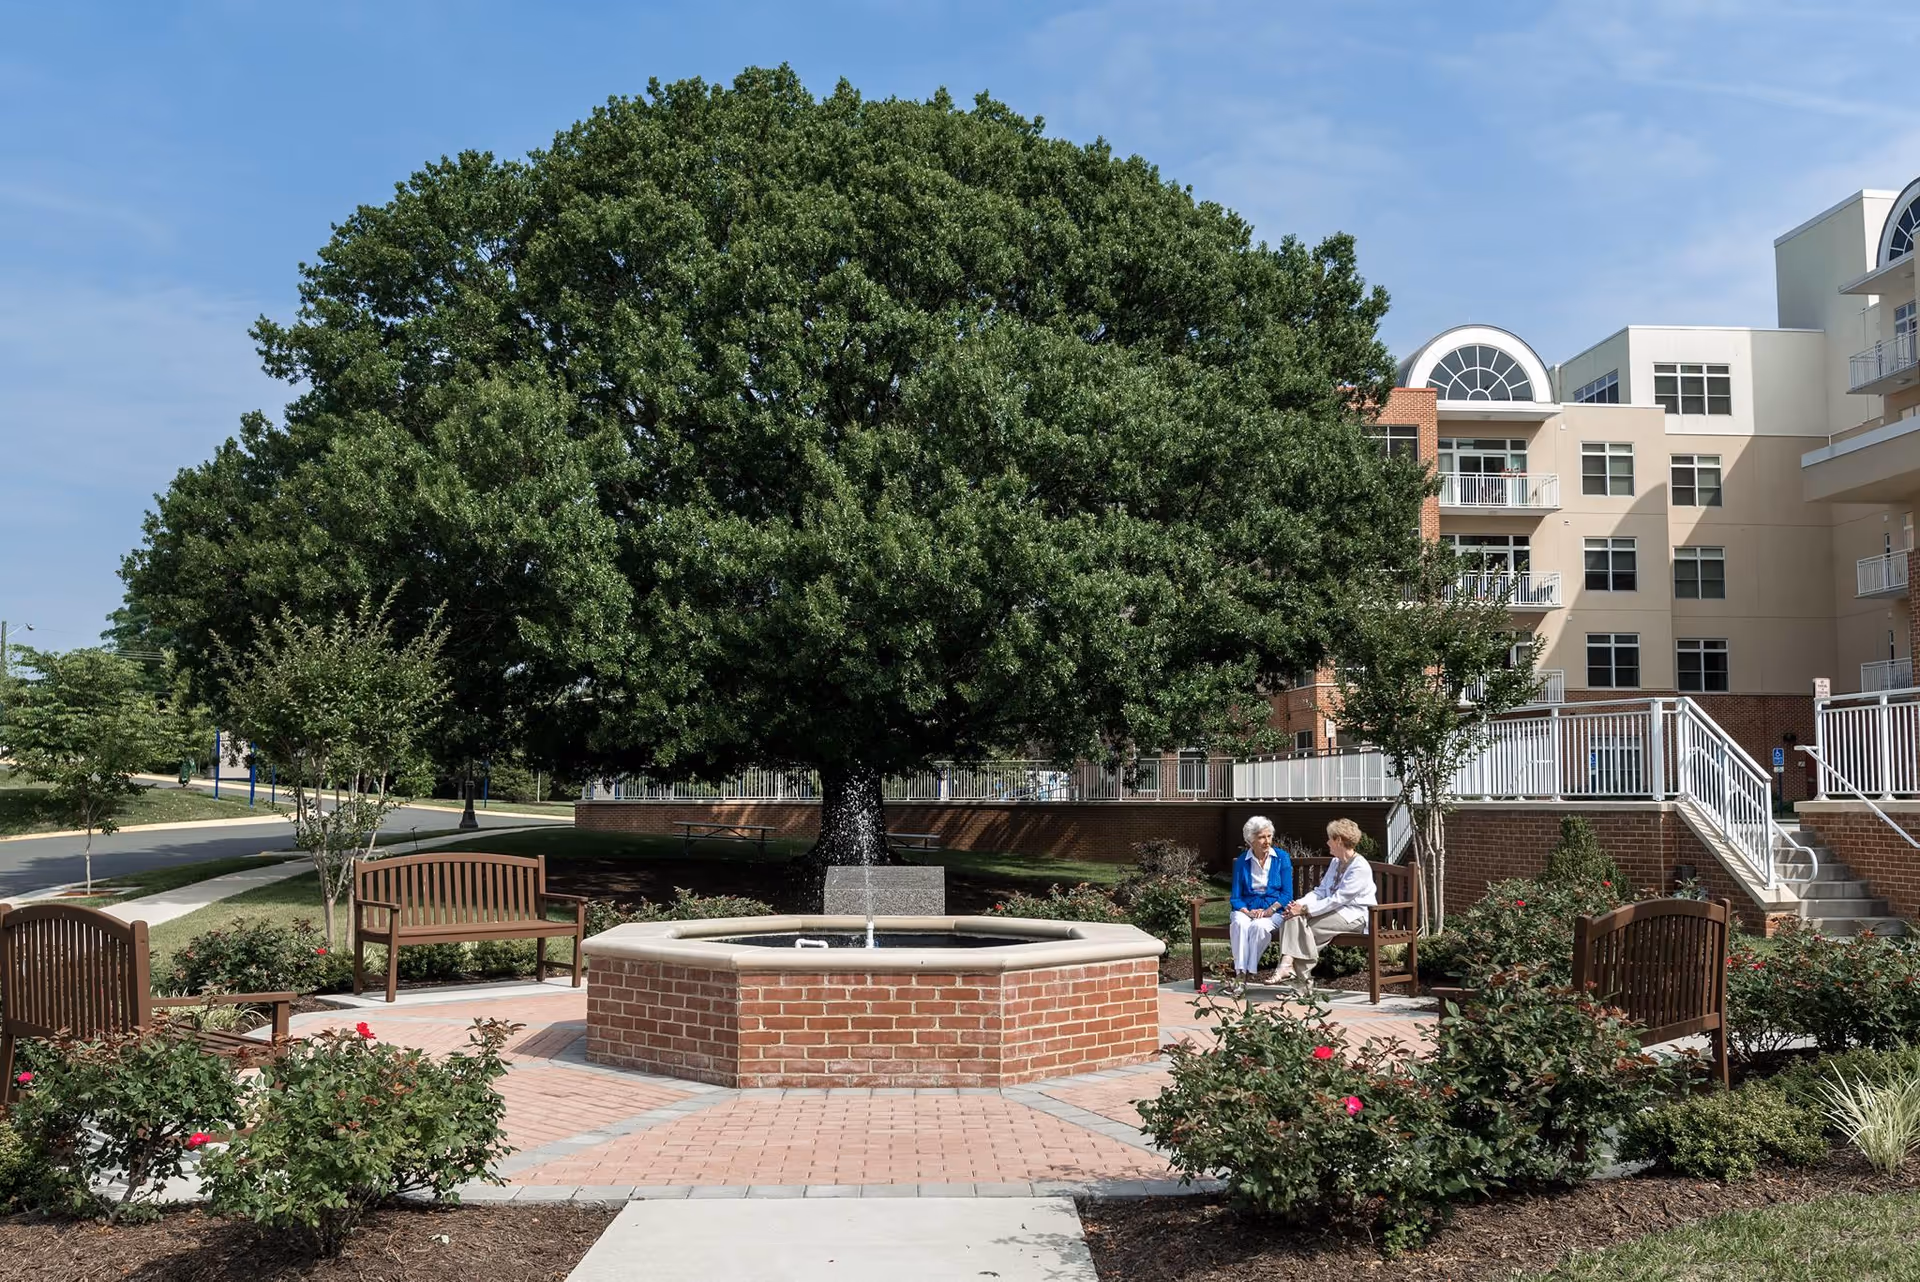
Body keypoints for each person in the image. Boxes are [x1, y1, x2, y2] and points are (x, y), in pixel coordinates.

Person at [1273, 817, 1377, 995]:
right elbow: (1321, 891)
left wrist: (1305, 910)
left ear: (1339, 840)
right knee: (1293, 919)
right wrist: (1299, 904)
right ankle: (1289, 968)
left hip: (1353, 916)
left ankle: (1297, 977)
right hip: (1334, 911)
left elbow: (1338, 899)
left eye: (1330, 838)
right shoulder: (1336, 862)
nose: (1327, 842)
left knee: (1305, 930)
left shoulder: (1360, 867)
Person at [1227, 815, 1293, 989]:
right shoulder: (1242, 861)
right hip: (1247, 910)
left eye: (1269, 836)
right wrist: (1247, 912)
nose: (1267, 841)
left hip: (1275, 910)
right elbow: (1235, 897)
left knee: (1258, 927)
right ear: (1251, 840)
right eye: (1262, 837)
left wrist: (1270, 911)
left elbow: (1287, 894)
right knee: (1239, 925)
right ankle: (1240, 974)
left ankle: (1244, 976)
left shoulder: (1281, 858)